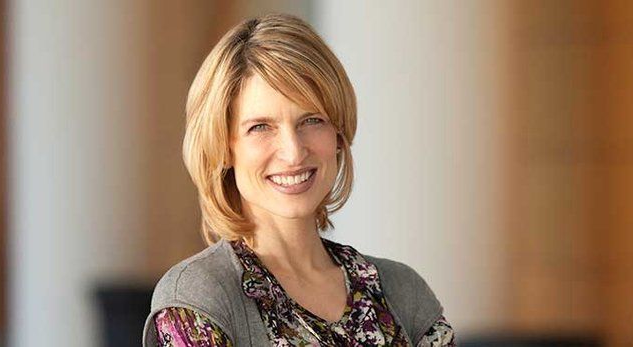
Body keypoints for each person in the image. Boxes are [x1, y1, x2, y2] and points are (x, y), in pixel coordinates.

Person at [143, 13, 455, 346]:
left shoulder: (403, 292)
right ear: (223, 147)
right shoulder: (199, 299)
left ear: (338, 134)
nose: (293, 152)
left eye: (312, 120)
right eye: (260, 127)